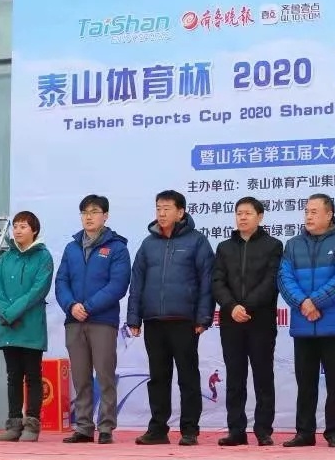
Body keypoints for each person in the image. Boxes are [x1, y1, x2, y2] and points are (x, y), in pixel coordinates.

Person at [127, 190, 215, 446]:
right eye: (158, 208)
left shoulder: (197, 242)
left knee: (188, 376)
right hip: (154, 320)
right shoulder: (148, 244)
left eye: (167, 208)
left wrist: (203, 317)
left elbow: (207, 281)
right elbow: (137, 281)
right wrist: (134, 317)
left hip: (184, 320)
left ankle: (189, 429)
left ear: (180, 212)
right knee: (158, 377)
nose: (162, 213)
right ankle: (157, 429)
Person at [277, 194, 335, 448]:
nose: (308, 216)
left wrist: (315, 302)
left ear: (329, 214)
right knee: (305, 383)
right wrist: (303, 303)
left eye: (314, 211)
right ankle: (304, 432)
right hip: (303, 325)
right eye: (306, 212)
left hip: (334, 325)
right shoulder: (293, 245)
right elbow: (284, 279)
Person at [55, 194, 131, 445]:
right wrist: (71, 305)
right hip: (74, 320)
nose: (89, 217)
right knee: (80, 377)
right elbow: (61, 281)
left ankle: (106, 426)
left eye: (94, 212)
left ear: (105, 216)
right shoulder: (72, 247)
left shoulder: (117, 248)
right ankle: (84, 427)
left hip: (102, 321)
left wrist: (87, 307)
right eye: (85, 212)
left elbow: (118, 285)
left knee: (105, 375)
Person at [212, 197, 283, 446]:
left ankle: (263, 430)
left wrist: (247, 306)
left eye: (247, 213)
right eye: (239, 213)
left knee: (263, 376)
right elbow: (217, 281)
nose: (242, 218)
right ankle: (236, 430)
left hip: (260, 319)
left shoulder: (273, 245)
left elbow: (271, 281)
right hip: (231, 321)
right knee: (235, 377)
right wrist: (232, 307)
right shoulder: (224, 247)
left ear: (260, 217)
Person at [0, 211, 54, 442]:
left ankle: (32, 424)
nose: (17, 230)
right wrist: (6, 312)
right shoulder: (5, 258)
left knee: (33, 376)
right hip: (8, 325)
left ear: (34, 230)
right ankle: (14, 424)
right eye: (15, 226)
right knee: (13, 376)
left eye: (23, 226)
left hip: (30, 324)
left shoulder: (44, 257)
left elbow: (38, 290)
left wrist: (11, 312)